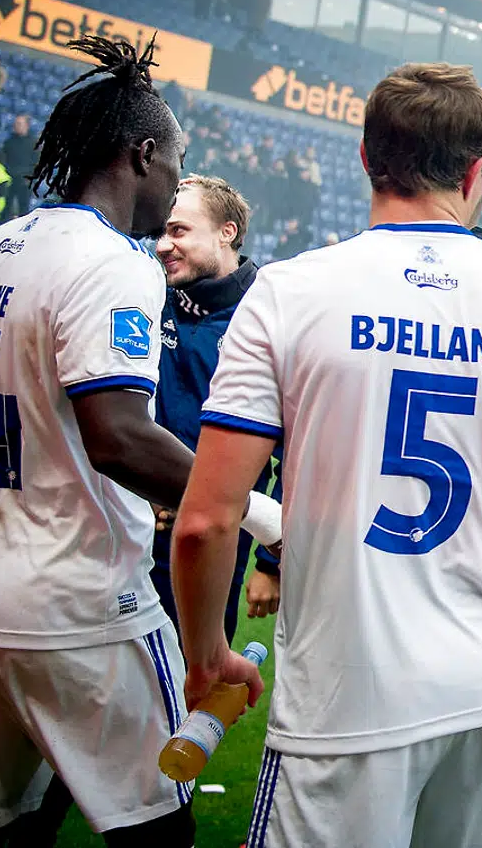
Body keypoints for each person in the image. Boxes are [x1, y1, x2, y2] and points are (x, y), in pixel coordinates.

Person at [170, 62, 482, 848]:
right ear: (476, 170)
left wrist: (205, 653)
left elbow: (204, 521)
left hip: (347, 699)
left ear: (365, 157)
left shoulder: (290, 292)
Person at [0, 36, 280, 846]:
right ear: (141, 153)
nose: (173, 186)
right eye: (175, 164)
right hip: (78, 608)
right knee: (154, 828)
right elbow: (117, 435)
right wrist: (255, 510)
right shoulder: (114, 263)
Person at [151, 174, 282, 638]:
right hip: (130, 527)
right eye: (161, 233)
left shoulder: (269, 313)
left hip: (220, 534)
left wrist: (271, 561)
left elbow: (297, 447)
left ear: (227, 232)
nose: (164, 245)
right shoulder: (148, 298)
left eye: (180, 231)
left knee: (195, 674)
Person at [0, 114, 39, 218]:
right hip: (9, 180)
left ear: (27, 126)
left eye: (19, 124)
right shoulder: (8, 142)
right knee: (5, 209)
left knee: (23, 210)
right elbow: (3, 160)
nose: (16, 126)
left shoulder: (34, 143)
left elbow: (37, 163)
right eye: (15, 124)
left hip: (24, 182)